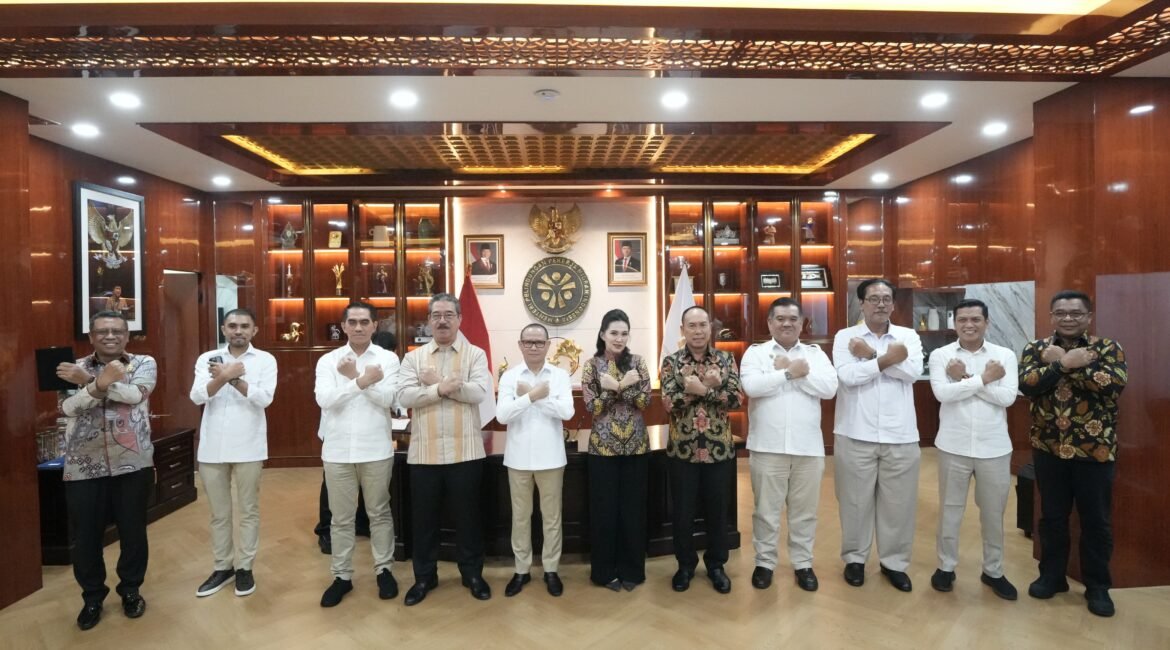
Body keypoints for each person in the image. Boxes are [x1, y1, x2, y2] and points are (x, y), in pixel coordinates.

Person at [1019, 290, 1126, 617]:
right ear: (1051, 316)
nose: (1068, 318)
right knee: (1051, 518)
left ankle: (1098, 586)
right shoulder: (1036, 348)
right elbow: (1028, 384)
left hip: (1095, 450)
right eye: (1061, 313)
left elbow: (1113, 385)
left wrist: (1066, 367)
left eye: (1076, 313)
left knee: (1096, 521)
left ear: (1088, 317)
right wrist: (1064, 363)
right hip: (1048, 448)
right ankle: (1052, 577)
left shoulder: (1107, 348)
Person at [54, 310, 157, 631]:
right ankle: (92, 597)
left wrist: (89, 383)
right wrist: (96, 382)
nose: (110, 336)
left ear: (127, 335)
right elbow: (67, 407)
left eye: (117, 331)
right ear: (91, 336)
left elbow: (134, 396)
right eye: (102, 331)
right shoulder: (71, 367)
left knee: (133, 532)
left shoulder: (143, 363)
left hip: (133, 463)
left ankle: (131, 590)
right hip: (83, 465)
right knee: (86, 537)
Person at [396, 293, 494, 605]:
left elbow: (479, 393)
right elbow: (404, 397)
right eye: (436, 315)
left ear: (459, 319)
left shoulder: (475, 355)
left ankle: (472, 574)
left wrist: (434, 383)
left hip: (466, 452)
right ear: (428, 320)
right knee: (424, 522)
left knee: (469, 519)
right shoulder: (413, 359)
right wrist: (442, 388)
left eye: (448, 315)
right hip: (425, 454)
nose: (442, 321)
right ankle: (424, 577)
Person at [832, 278, 923, 592]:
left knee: (899, 505)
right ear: (862, 304)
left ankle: (894, 563)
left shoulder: (908, 336)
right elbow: (848, 376)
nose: (880, 304)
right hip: (855, 432)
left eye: (886, 298)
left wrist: (871, 356)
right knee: (854, 503)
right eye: (873, 298)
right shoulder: (845, 336)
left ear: (893, 304)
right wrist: (888, 360)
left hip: (901, 434)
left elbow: (912, 373)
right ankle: (855, 559)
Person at [741, 298, 838, 592]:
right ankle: (764, 563)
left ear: (802, 323)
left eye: (793, 319)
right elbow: (752, 387)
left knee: (804, 512)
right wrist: (787, 373)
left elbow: (829, 389)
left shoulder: (815, 354)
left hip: (808, 448)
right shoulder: (756, 353)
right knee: (765, 512)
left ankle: (803, 563)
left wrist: (797, 373)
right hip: (767, 447)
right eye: (780, 318)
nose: (787, 323)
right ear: (770, 323)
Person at [927, 299, 1019, 600]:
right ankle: (946, 567)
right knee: (950, 510)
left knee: (993, 513)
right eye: (963, 319)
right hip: (953, 445)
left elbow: (1007, 398)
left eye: (976, 319)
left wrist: (965, 380)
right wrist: (984, 380)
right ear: (954, 323)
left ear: (986, 323)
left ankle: (993, 571)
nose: (969, 325)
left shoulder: (1003, 355)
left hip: (994, 447)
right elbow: (942, 394)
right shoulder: (942, 355)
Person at [314, 301, 400, 607]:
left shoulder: (388, 359)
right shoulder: (328, 361)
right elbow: (325, 400)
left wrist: (354, 379)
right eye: (353, 322)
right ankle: (342, 576)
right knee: (340, 518)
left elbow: (389, 399)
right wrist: (361, 381)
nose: (359, 327)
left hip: (375, 448)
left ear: (375, 326)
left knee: (379, 512)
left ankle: (384, 570)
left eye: (365, 322)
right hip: (337, 450)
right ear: (344, 326)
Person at [189, 308, 278, 599]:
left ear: (254, 330)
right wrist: (223, 376)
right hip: (212, 447)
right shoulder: (208, 358)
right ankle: (222, 566)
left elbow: (264, 399)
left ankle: (245, 567)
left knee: (248, 510)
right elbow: (197, 396)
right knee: (219, 513)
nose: (238, 330)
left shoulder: (265, 360)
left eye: (244, 326)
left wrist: (234, 380)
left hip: (249, 446)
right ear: (224, 330)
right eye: (232, 326)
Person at [660, 306, 743, 594]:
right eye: (692, 326)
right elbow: (668, 403)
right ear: (682, 330)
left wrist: (704, 390)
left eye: (702, 325)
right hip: (682, 451)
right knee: (682, 513)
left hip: (718, 450)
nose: (698, 331)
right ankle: (685, 565)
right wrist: (700, 388)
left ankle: (717, 565)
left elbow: (736, 399)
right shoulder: (671, 362)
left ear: (711, 328)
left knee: (718, 512)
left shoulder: (725, 359)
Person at [496, 323, 575, 597]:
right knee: (520, 518)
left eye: (539, 342)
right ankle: (522, 570)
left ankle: (551, 569)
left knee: (552, 518)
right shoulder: (510, 377)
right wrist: (532, 396)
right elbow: (502, 415)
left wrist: (532, 398)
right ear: (520, 345)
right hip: (518, 458)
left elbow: (567, 412)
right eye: (528, 342)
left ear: (548, 345)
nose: (533, 347)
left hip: (551, 458)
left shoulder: (560, 376)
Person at [582, 309, 652, 592]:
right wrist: (615, 389)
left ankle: (632, 570)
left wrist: (620, 387)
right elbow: (592, 406)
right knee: (604, 511)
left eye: (624, 333)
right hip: (603, 449)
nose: (619, 338)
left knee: (633, 511)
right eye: (614, 333)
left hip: (636, 447)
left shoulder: (638, 363)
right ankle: (604, 573)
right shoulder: (591, 365)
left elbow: (645, 402)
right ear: (602, 334)